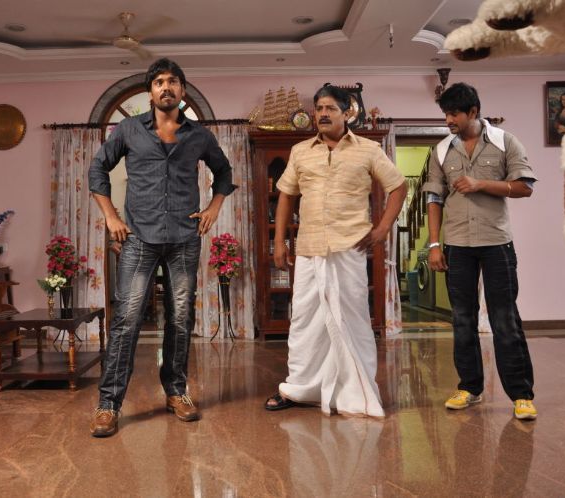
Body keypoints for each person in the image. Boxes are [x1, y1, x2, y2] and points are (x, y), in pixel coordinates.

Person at [88, 58, 236, 437]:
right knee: (127, 320)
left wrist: (213, 207)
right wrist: (111, 217)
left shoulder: (199, 136)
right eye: (158, 82)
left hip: (184, 239)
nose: (165, 87)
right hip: (138, 239)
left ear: (182, 90)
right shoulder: (128, 130)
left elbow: (224, 172)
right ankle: (108, 404)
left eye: (172, 81)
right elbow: (97, 169)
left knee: (181, 318)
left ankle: (176, 391)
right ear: (150, 92)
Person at [264, 84, 407, 417]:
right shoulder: (300, 151)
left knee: (353, 320)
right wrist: (280, 241)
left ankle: (355, 390)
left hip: (349, 247)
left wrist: (382, 228)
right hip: (310, 247)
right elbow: (286, 195)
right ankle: (299, 388)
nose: (323, 114)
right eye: (319, 108)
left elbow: (398, 187)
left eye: (330, 108)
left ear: (347, 113)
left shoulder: (369, 149)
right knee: (304, 321)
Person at [422, 82, 538, 420]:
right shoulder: (441, 151)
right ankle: (469, 388)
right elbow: (434, 198)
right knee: (462, 318)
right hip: (457, 246)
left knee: (504, 318)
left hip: (496, 243)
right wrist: (434, 244)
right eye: (445, 114)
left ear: (473, 112)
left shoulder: (505, 142)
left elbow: (525, 187)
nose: (448, 120)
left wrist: (480, 184)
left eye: (454, 114)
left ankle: (521, 395)